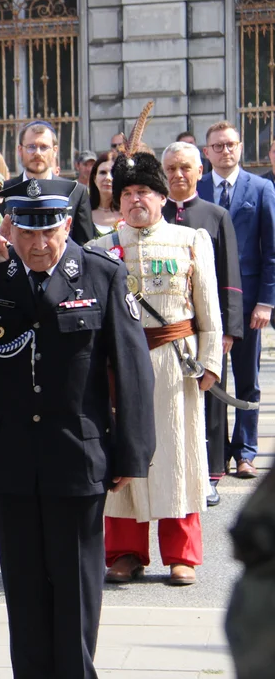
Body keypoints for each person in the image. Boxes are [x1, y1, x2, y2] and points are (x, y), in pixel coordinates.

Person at [0, 176, 156, 679]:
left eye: (47, 231)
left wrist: (132, 454)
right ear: (12, 228)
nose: (37, 244)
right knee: (24, 590)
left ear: (66, 225)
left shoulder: (99, 274)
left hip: (77, 454)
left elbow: (134, 370)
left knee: (74, 589)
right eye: (25, 232)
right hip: (11, 458)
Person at [90, 151, 222, 587]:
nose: (134, 200)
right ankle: (125, 551)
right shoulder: (100, 248)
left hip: (174, 364)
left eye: (143, 191)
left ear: (162, 196)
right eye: (126, 193)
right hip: (120, 368)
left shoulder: (190, 241)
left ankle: (181, 554)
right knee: (126, 457)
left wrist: (210, 363)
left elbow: (208, 308)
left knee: (177, 456)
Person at [161, 141, 244, 508]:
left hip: (206, 329)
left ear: (199, 172)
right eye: (171, 169)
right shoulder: (154, 213)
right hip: (165, 331)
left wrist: (228, 329)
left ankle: (210, 474)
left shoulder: (215, 215)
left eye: (185, 168)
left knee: (209, 400)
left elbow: (229, 276)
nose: (178, 175)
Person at [198, 120, 275, 479]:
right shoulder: (196, 190)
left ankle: (245, 451)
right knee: (210, 377)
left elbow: (271, 251)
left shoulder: (260, 188)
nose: (225, 151)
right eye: (218, 146)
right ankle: (215, 453)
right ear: (206, 152)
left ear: (241, 147)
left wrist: (266, 301)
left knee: (248, 378)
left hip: (247, 303)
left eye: (231, 144)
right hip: (204, 301)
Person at [1, 120, 95, 244]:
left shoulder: (76, 192)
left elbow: (84, 245)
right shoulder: (4, 191)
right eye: (31, 147)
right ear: (20, 150)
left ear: (55, 151)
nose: (37, 153)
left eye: (44, 147)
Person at [88, 150, 122, 237]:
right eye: (103, 172)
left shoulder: (129, 214)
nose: (108, 178)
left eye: (113, 173)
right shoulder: (83, 213)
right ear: (94, 178)